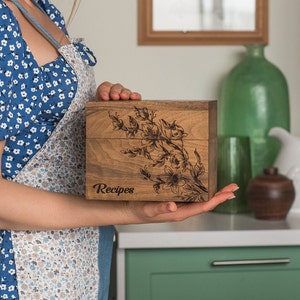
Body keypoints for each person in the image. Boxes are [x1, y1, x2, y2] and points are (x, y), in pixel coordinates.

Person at [0, 0, 238, 299]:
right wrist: (133, 210)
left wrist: (101, 113)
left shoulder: (39, 7)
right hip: (25, 265)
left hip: (79, 253)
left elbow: (38, 121)